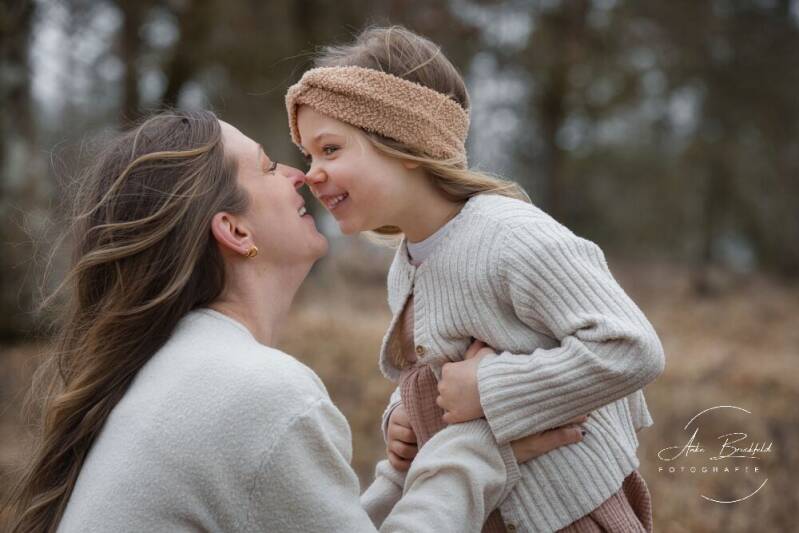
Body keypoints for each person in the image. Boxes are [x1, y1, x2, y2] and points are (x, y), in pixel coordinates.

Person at [2, 110, 587, 533]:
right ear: (235, 231)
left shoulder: (181, 372)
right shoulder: (255, 392)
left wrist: (402, 473)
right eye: (266, 167)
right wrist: (478, 445)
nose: (298, 174)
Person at [286, 26, 666, 532]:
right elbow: (441, 369)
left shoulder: (509, 235)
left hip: (570, 514)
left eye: (330, 149)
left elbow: (632, 347)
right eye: (309, 155)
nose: (311, 173)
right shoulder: (409, 261)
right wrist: (402, 414)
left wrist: (489, 388)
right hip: (484, 510)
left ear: (405, 142)